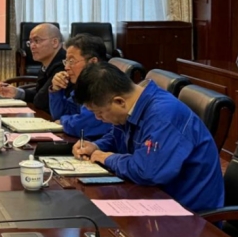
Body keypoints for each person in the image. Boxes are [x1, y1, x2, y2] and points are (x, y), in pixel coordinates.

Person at [71, 62, 224, 212]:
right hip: (152, 197)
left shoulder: (163, 115)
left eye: (99, 113)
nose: (98, 118)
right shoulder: (133, 104)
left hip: (188, 213)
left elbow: (147, 171)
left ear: (119, 101)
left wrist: (106, 158)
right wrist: (96, 146)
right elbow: (117, 135)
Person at [49, 34, 112, 139]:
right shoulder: (83, 85)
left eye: (72, 61)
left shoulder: (104, 86)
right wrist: (56, 90)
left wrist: (63, 121)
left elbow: (82, 126)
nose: (66, 67)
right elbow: (60, 115)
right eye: (66, 61)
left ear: (93, 62)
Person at [0, 23, 65, 113]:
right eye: (30, 42)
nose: (32, 46)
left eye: (37, 41)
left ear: (55, 42)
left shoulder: (64, 65)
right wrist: (17, 92)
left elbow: (40, 101)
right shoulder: (47, 63)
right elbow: (39, 92)